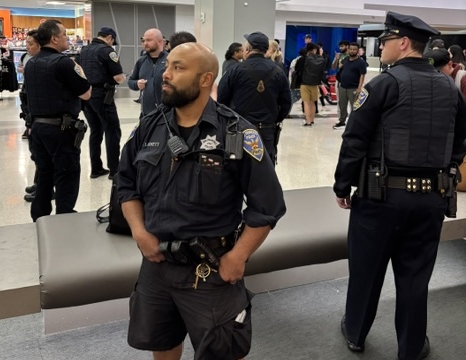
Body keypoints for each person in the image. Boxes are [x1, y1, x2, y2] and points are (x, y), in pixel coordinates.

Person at [117, 42, 286, 360]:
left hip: (210, 267)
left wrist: (239, 256)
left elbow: (268, 206)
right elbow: (126, 185)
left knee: (222, 350)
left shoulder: (237, 133)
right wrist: (139, 232)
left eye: (178, 68)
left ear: (206, 79)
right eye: (168, 66)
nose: (165, 75)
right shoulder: (150, 126)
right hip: (156, 265)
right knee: (162, 341)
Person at [333, 11, 466, 360]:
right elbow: (460, 142)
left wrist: (342, 185)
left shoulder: (384, 84)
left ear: (404, 43)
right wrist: (447, 171)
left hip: (381, 197)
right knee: (415, 276)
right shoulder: (449, 89)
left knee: (366, 269)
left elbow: (355, 139)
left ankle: (356, 332)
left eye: (386, 41)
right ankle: (410, 346)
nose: (381, 47)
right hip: (431, 199)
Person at [24, 19, 91, 222]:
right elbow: (86, 93)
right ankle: (64, 217)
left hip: (38, 128)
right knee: (66, 173)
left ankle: (40, 216)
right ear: (54, 38)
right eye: (64, 34)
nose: (67, 38)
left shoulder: (31, 63)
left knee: (44, 173)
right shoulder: (64, 63)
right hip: (61, 130)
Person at [217, 31, 291, 164]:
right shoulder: (278, 72)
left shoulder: (235, 70)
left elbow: (221, 100)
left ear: (247, 49)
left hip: (239, 131)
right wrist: (274, 119)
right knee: (266, 170)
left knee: (238, 170)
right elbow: (286, 104)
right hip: (267, 131)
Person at [79, 27, 127, 180]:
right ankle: (114, 170)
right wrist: (124, 77)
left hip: (86, 96)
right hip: (102, 96)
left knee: (96, 131)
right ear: (109, 38)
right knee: (112, 131)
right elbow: (119, 78)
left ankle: (96, 168)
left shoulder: (84, 50)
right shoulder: (108, 52)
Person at [19, 29, 41, 202]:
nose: (27, 47)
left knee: (42, 156)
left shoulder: (43, 64)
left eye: (30, 44)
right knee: (36, 154)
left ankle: (43, 187)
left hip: (40, 118)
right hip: (31, 115)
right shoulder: (31, 61)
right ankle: (38, 182)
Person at [128, 28, 167, 117]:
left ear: (160, 42)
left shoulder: (170, 60)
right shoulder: (141, 61)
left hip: (166, 114)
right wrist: (137, 84)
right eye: (143, 40)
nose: (145, 43)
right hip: (146, 114)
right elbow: (131, 81)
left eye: (149, 40)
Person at [332, 42, 367, 130]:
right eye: (350, 49)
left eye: (354, 49)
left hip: (354, 88)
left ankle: (354, 123)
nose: (352, 51)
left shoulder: (361, 62)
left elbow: (362, 75)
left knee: (354, 106)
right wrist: (336, 59)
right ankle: (342, 121)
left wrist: (359, 88)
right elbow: (337, 67)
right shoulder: (346, 59)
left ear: (358, 51)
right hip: (343, 86)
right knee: (342, 105)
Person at [294, 42, 326, 127]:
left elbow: (297, 69)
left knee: (306, 103)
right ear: (315, 50)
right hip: (315, 83)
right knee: (313, 102)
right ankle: (312, 120)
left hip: (304, 83)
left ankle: (308, 121)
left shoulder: (302, 59)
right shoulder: (320, 59)